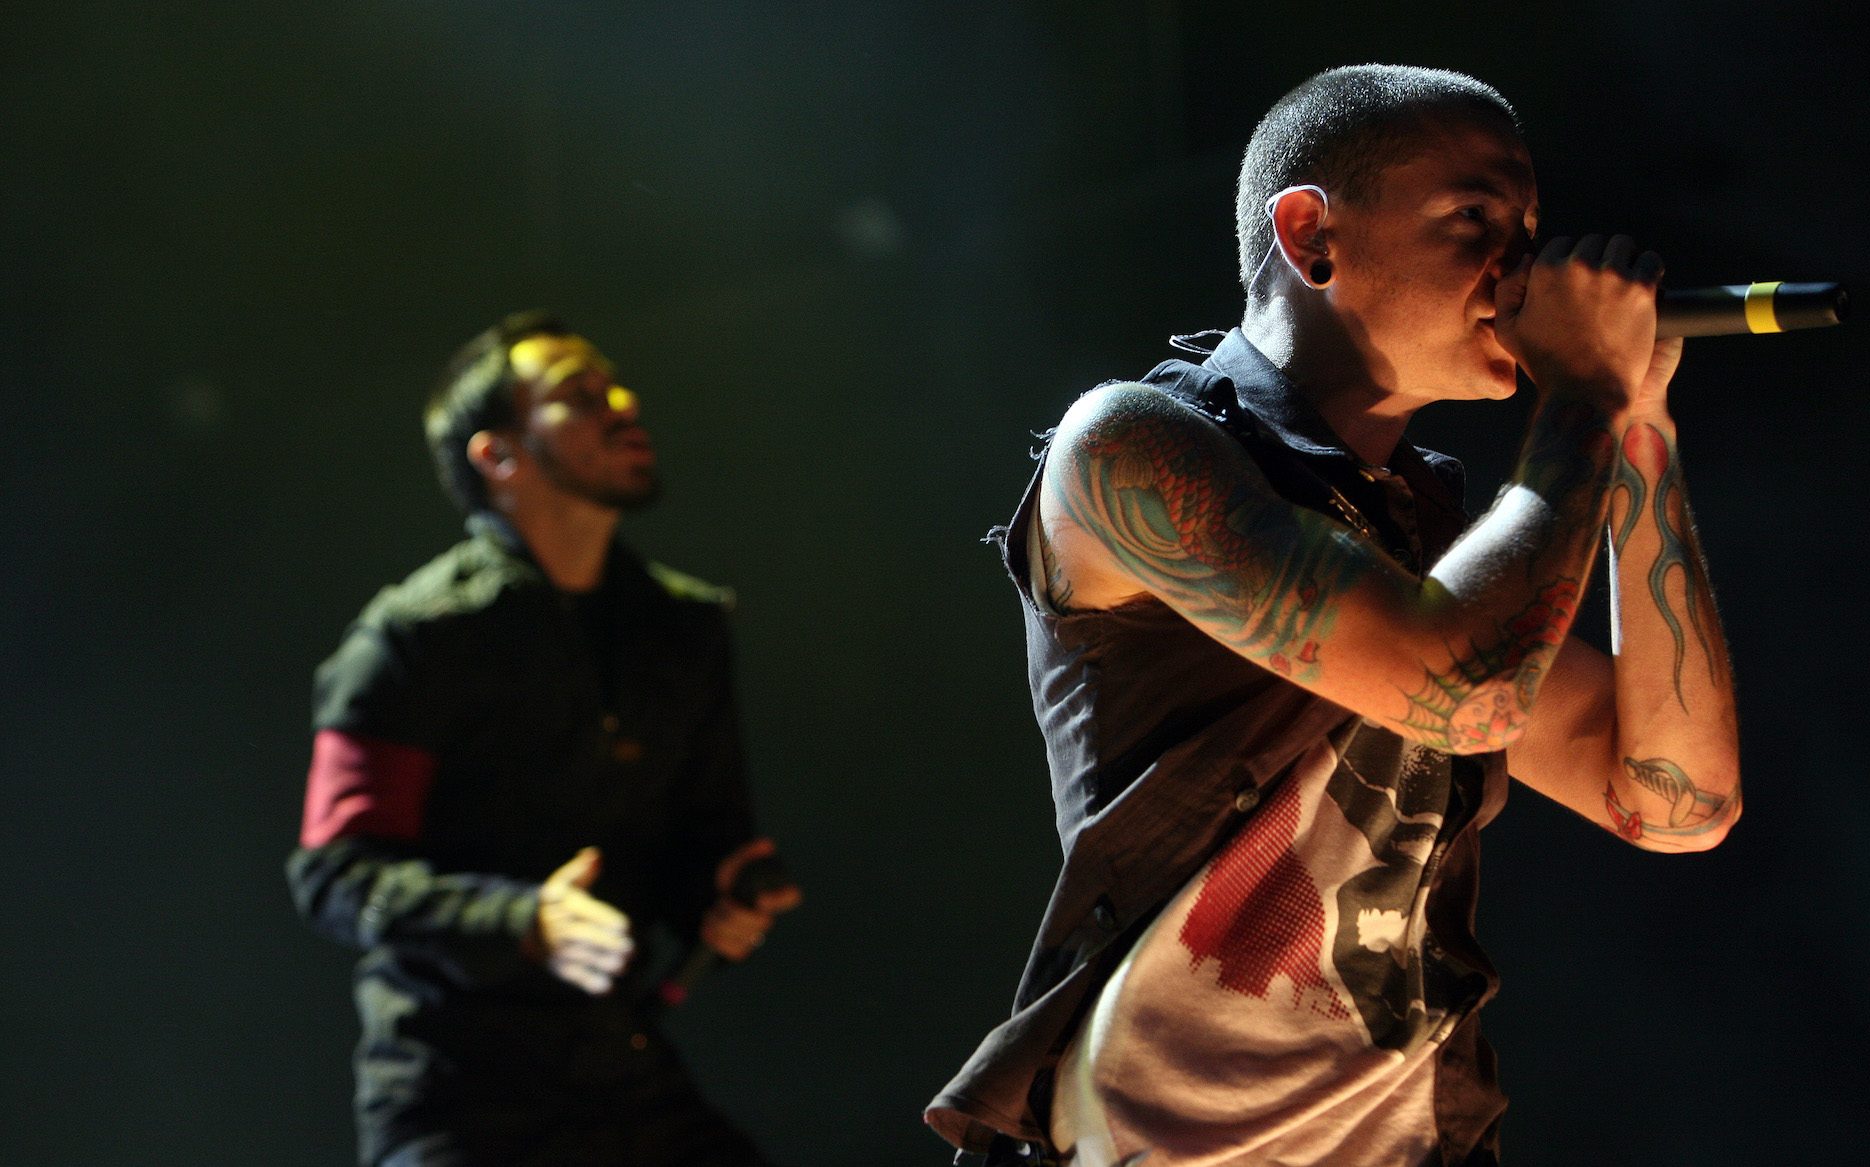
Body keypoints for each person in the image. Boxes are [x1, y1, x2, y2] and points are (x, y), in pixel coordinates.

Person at [927, 64, 1742, 1166]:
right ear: (1311, 235)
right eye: (1474, 219)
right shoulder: (1127, 448)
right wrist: (1585, 397)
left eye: (1528, 230)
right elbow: (1461, 690)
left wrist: (1639, 422)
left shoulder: (1428, 553)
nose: (1521, 268)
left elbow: (1679, 799)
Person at [288, 311, 802, 1166]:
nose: (622, 404)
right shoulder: (414, 637)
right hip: (457, 1097)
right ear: (499, 456)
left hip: (622, 1071)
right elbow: (337, 872)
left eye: (615, 386)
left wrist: (724, 893)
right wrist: (524, 920)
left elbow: (706, 843)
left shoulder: (685, 628)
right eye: (578, 394)